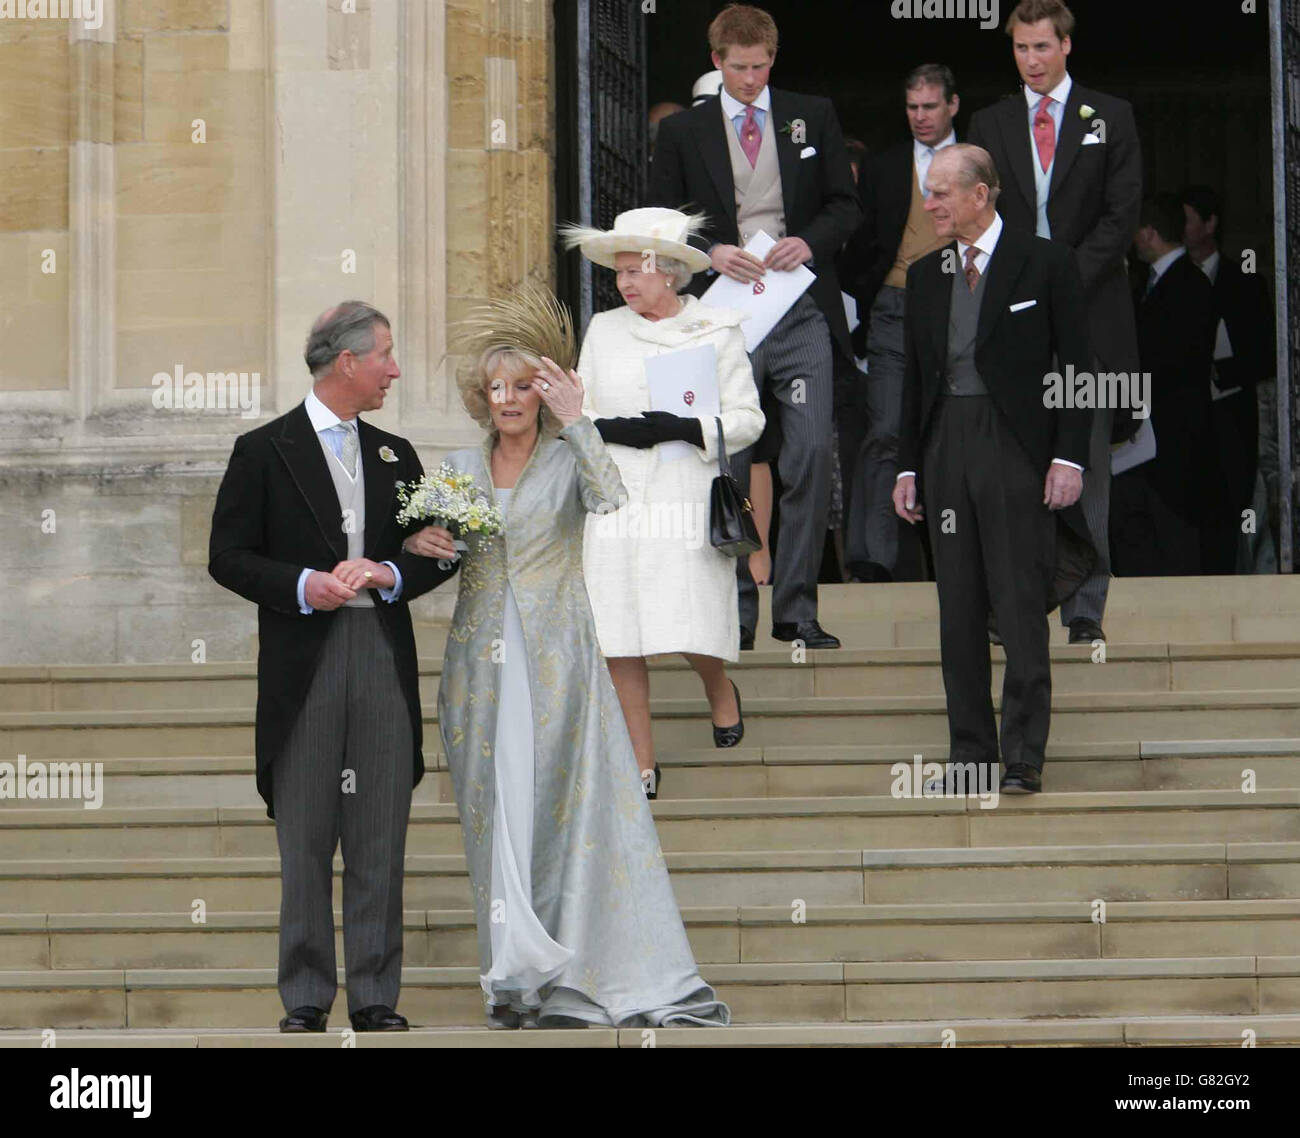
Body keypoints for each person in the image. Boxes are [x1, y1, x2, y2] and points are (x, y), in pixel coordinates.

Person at [408, 283, 730, 1029]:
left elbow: (610, 495)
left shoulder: (565, 456)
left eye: (524, 387)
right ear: (480, 397)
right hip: (479, 670)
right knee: (497, 817)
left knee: (560, 810)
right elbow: (437, 551)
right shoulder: (458, 463)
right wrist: (414, 542)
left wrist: (578, 418)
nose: (510, 400)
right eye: (498, 388)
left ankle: (575, 971)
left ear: (541, 393)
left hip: (560, 660)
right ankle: (511, 980)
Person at [208, 302, 460, 1034]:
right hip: (305, 658)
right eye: (385, 354)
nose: (395, 368)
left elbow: (434, 549)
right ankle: (307, 995)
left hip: (380, 653)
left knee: (382, 826)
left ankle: (377, 993)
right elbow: (227, 557)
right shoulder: (263, 450)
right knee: (307, 835)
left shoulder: (397, 454)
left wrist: (389, 571)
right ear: (346, 362)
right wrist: (301, 586)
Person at [649, 2, 861, 651]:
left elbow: (845, 205)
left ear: (773, 58)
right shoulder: (684, 131)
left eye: (761, 66)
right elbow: (664, 218)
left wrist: (809, 242)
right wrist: (709, 251)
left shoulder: (811, 113)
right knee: (731, 465)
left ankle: (795, 611)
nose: (750, 78)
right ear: (717, 62)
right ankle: (735, 612)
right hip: (725, 315)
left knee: (809, 455)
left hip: (799, 308)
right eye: (738, 67)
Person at [893, 145, 1095, 797]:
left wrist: (1069, 456)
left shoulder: (1047, 264)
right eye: (928, 193)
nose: (930, 205)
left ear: (981, 195)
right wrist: (905, 467)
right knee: (958, 609)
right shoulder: (924, 276)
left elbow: (1079, 368)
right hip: (945, 443)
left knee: (1017, 601)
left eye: (941, 193)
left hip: (1015, 446)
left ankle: (1023, 757)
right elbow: (914, 381)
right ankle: (972, 755)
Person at [561, 207, 765, 797]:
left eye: (640, 269)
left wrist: (685, 426)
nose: (627, 282)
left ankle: (718, 688)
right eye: (621, 271)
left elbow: (749, 420)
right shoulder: (604, 328)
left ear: (673, 272)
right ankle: (641, 765)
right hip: (617, 493)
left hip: (683, 493)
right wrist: (613, 429)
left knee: (686, 620)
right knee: (619, 631)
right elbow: (581, 406)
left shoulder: (718, 328)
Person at [968, 0, 1142, 644]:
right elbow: (981, 213)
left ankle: (1085, 606)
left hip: (1090, 313)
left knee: (1087, 457)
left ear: (1067, 45)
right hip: (1012, 317)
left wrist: (1058, 280)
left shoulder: (1111, 116)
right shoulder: (990, 120)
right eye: (1021, 49)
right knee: (1011, 459)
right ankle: (1013, 599)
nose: (1032, 60)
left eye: (1042, 47)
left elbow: (1121, 218)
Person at [840, 63, 960, 584]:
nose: (920, 117)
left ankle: (963, 558)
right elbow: (861, 242)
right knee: (886, 427)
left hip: (961, 303)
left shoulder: (977, 162)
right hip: (893, 304)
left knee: (959, 427)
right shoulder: (886, 167)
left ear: (952, 106)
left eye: (930, 106)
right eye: (912, 107)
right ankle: (874, 559)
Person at [1111, 194, 1217, 577]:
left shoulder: (1189, 283)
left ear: (1149, 233)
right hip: (1145, 443)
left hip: (1175, 436)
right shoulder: (1148, 285)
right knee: (1137, 534)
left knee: (1175, 538)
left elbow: (1173, 359)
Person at [1181, 184, 1277, 574]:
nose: (1181, 228)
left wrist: (1221, 372)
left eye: (1186, 220)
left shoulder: (1244, 281)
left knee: (1245, 507)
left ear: (1210, 224)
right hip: (1186, 423)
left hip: (1233, 419)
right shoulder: (1165, 282)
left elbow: (1267, 353)